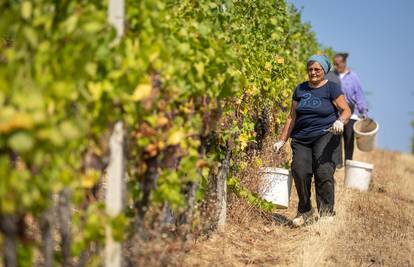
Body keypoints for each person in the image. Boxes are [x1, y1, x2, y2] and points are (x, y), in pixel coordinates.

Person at [273, 55, 351, 226]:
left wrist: (340, 121)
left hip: (326, 134)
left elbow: (346, 110)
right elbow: (291, 117)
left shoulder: (332, 88)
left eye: (317, 69)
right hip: (301, 138)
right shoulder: (300, 89)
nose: (313, 72)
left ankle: (326, 213)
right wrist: (282, 140)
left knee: (323, 171)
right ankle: (305, 210)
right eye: (310, 69)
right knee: (299, 171)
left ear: (324, 71)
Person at [333, 53, 368, 161]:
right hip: (336, 113)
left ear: (344, 63)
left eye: (337, 64)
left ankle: (348, 162)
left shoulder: (353, 77)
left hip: (352, 114)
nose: (336, 66)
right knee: (335, 139)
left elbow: (359, 95)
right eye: (334, 64)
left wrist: (364, 112)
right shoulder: (332, 76)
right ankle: (337, 163)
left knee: (348, 139)